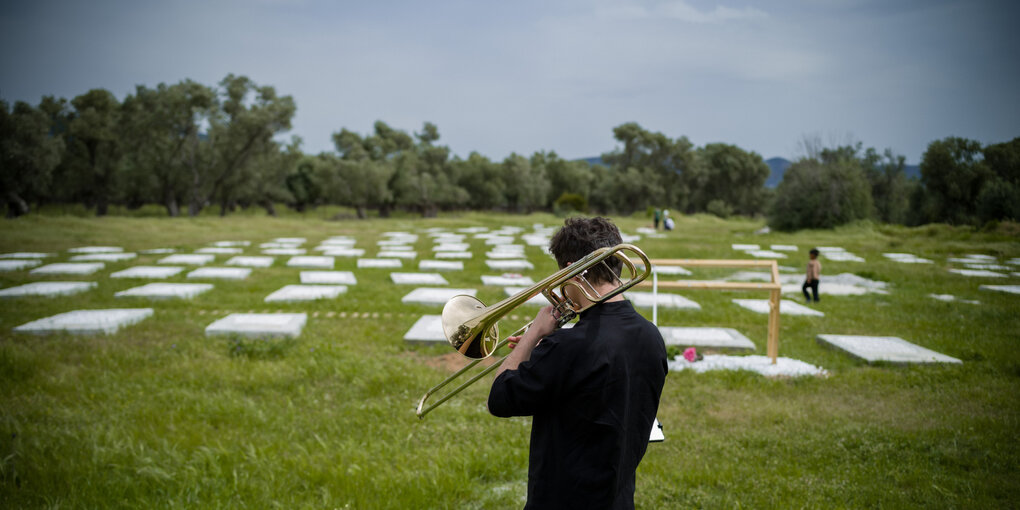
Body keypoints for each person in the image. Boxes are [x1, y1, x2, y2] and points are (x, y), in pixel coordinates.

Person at [487, 216, 668, 510]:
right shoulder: (651, 336)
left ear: (573, 273)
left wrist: (533, 334)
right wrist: (543, 353)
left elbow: (499, 398)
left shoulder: (568, 347)